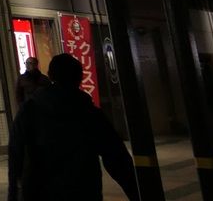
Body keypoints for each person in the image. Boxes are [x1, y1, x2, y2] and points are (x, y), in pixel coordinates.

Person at [7, 53, 135, 201]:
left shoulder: (29, 111)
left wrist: (13, 194)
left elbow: (15, 156)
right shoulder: (89, 112)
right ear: (80, 77)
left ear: (51, 75)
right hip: (83, 190)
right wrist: (135, 191)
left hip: (39, 191)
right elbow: (116, 157)